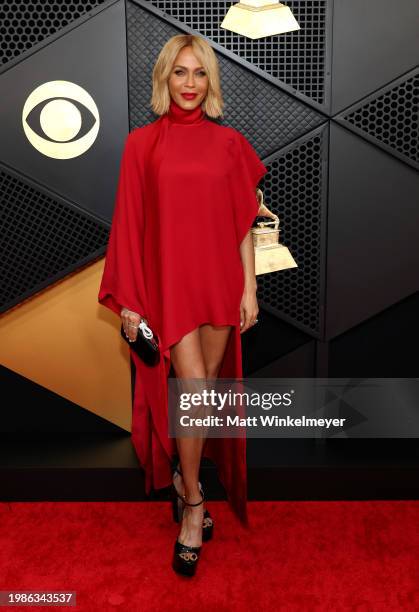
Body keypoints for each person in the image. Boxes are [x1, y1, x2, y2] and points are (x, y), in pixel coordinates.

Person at [98, 33, 267, 576]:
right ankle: (194, 504)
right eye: (180, 73)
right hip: (170, 286)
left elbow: (244, 223)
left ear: (209, 81)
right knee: (193, 392)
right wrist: (129, 303)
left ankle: (182, 480)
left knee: (204, 396)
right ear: (164, 78)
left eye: (198, 74)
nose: (189, 84)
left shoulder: (229, 145)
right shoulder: (142, 145)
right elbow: (129, 222)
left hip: (218, 284)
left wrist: (249, 287)